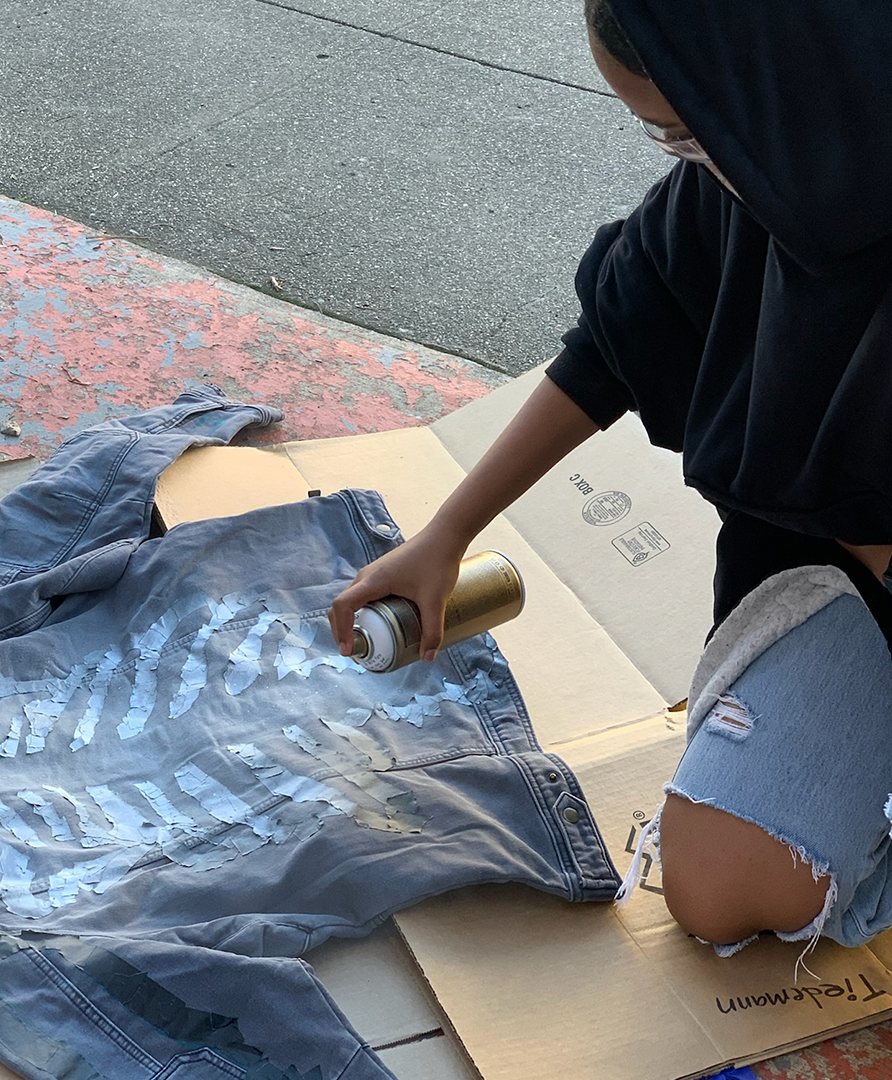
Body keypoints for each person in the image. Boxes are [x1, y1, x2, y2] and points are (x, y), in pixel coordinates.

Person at [329, 0, 892, 959]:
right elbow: (615, 345)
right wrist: (444, 537)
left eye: (683, 130)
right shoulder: (756, 176)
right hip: (831, 573)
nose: (681, 158)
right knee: (718, 891)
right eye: (661, 135)